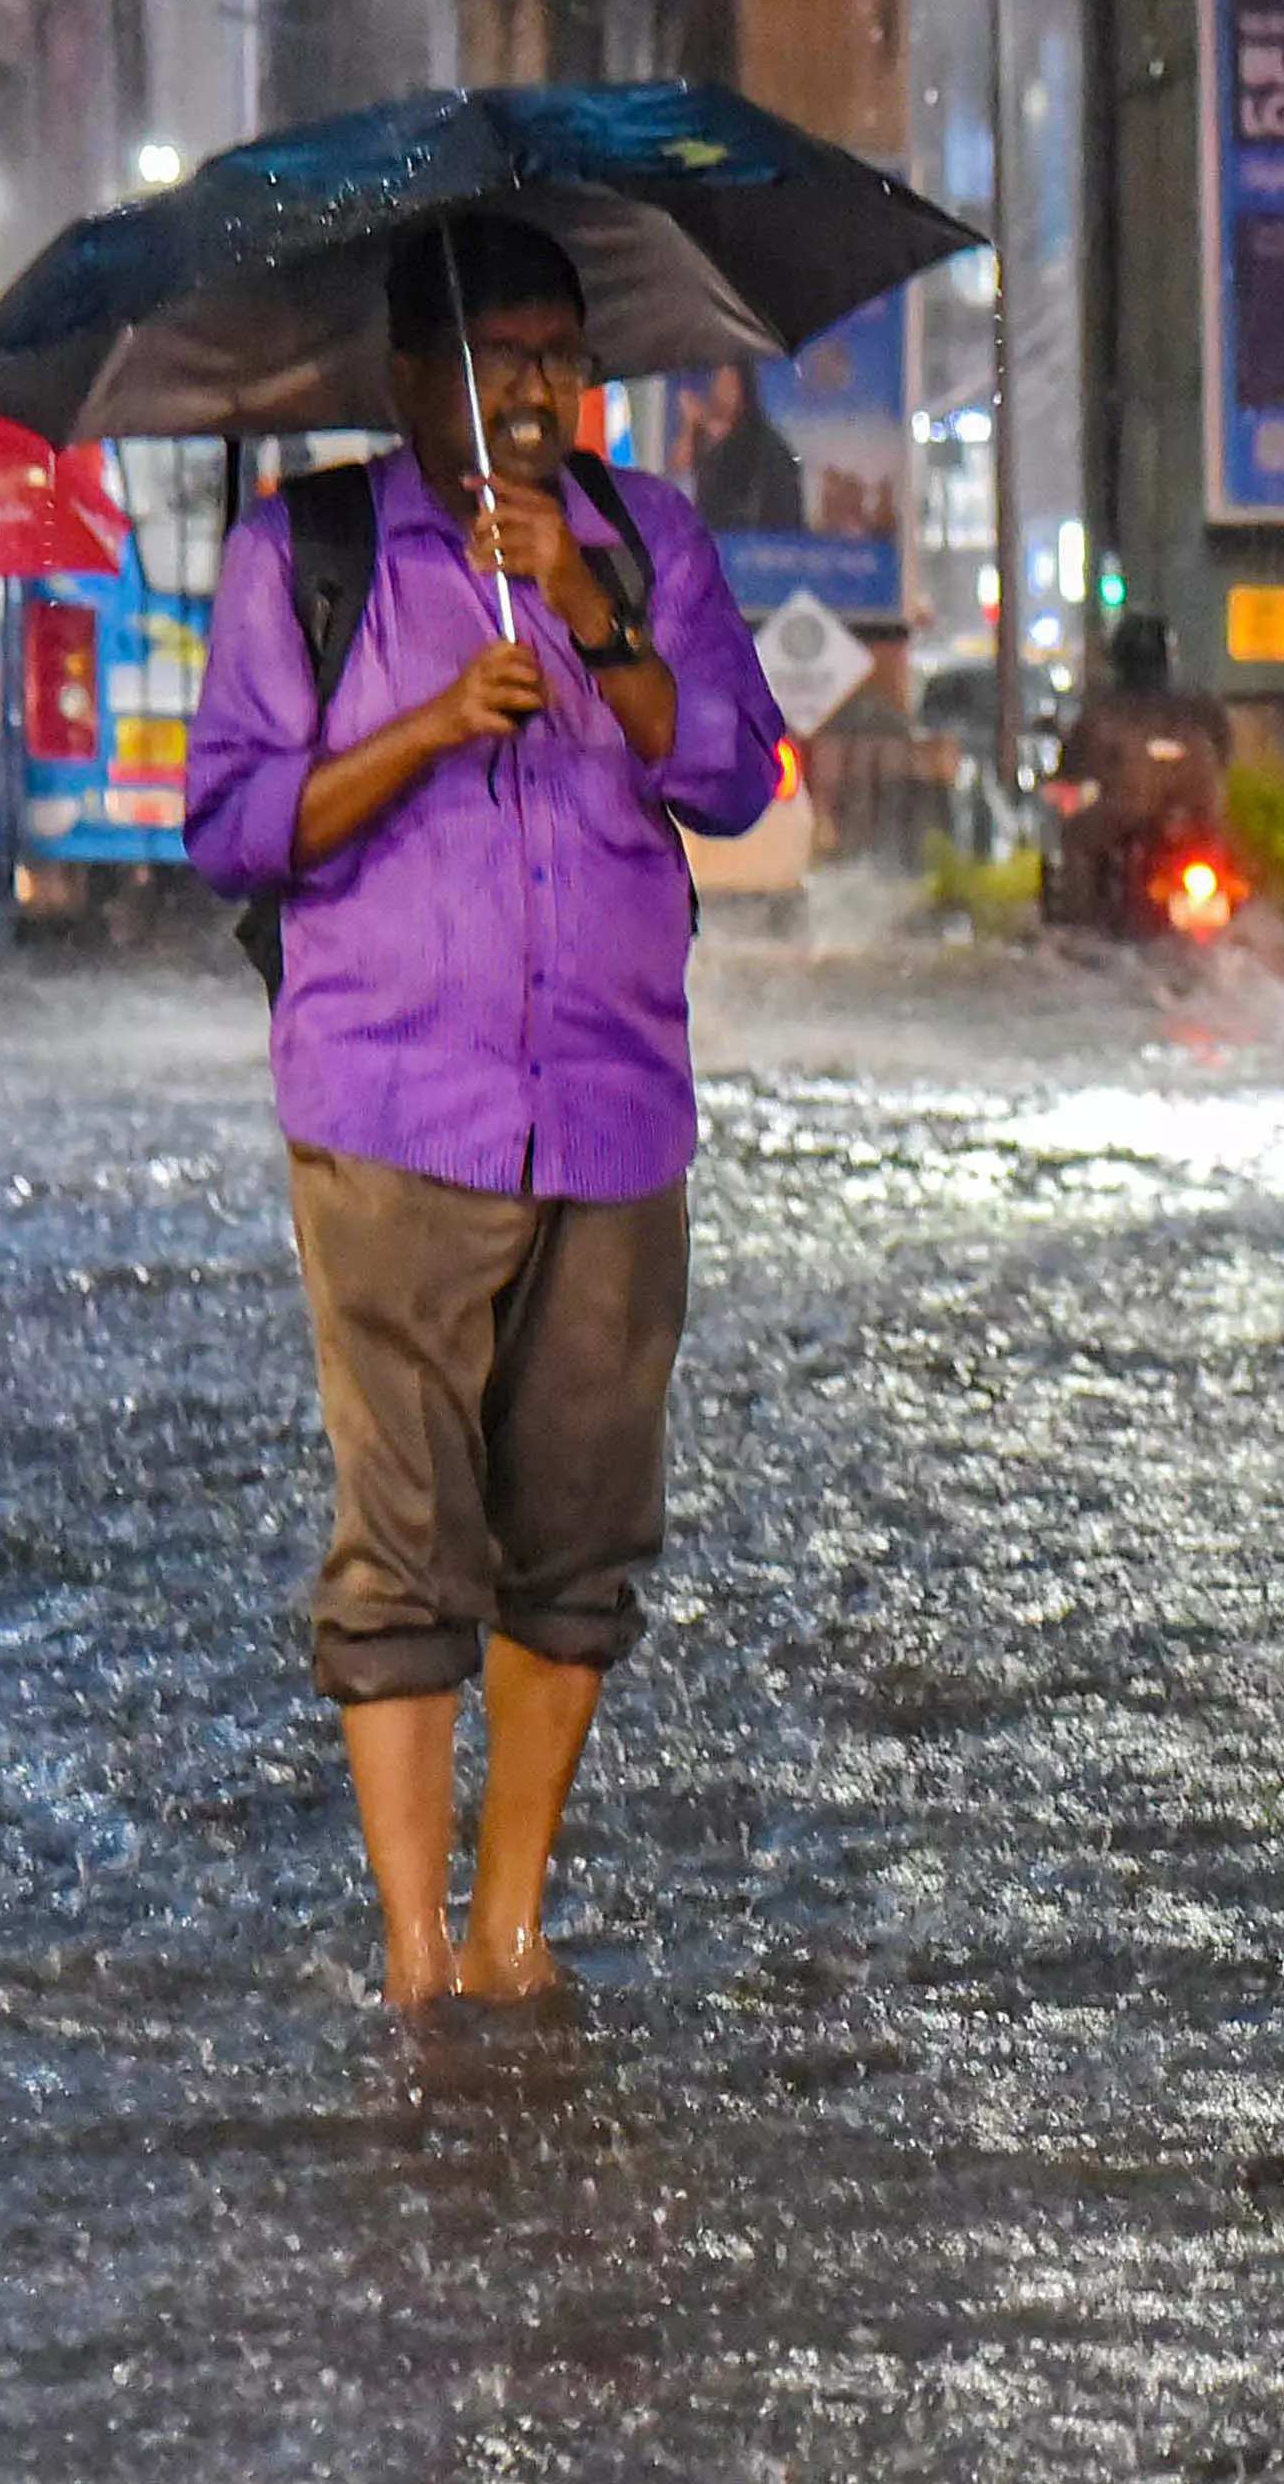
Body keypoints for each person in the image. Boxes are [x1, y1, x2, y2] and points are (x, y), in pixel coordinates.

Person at [182, 214, 786, 2011]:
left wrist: (601, 623)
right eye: (495, 354)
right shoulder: (310, 550)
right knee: (405, 1529)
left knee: (581, 1529)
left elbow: (738, 774)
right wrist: (438, 720)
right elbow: (232, 824)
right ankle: (417, 1950)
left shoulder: (644, 539)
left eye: (559, 353)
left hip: (613, 1103)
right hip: (391, 1104)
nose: (534, 390)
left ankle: (516, 1918)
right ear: (409, 374)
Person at [1043, 615, 1232, 936]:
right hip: (1194, 820)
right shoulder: (1200, 708)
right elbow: (1225, 752)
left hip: (1126, 822)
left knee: (1075, 849)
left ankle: (1079, 926)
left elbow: (1073, 771)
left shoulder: (1101, 712)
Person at [677, 360, 806, 533]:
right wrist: (691, 425)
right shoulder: (705, 433)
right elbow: (680, 469)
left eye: (729, 383)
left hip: (751, 540)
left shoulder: (762, 441)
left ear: (744, 391)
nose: (720, 390)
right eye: (718, 381)